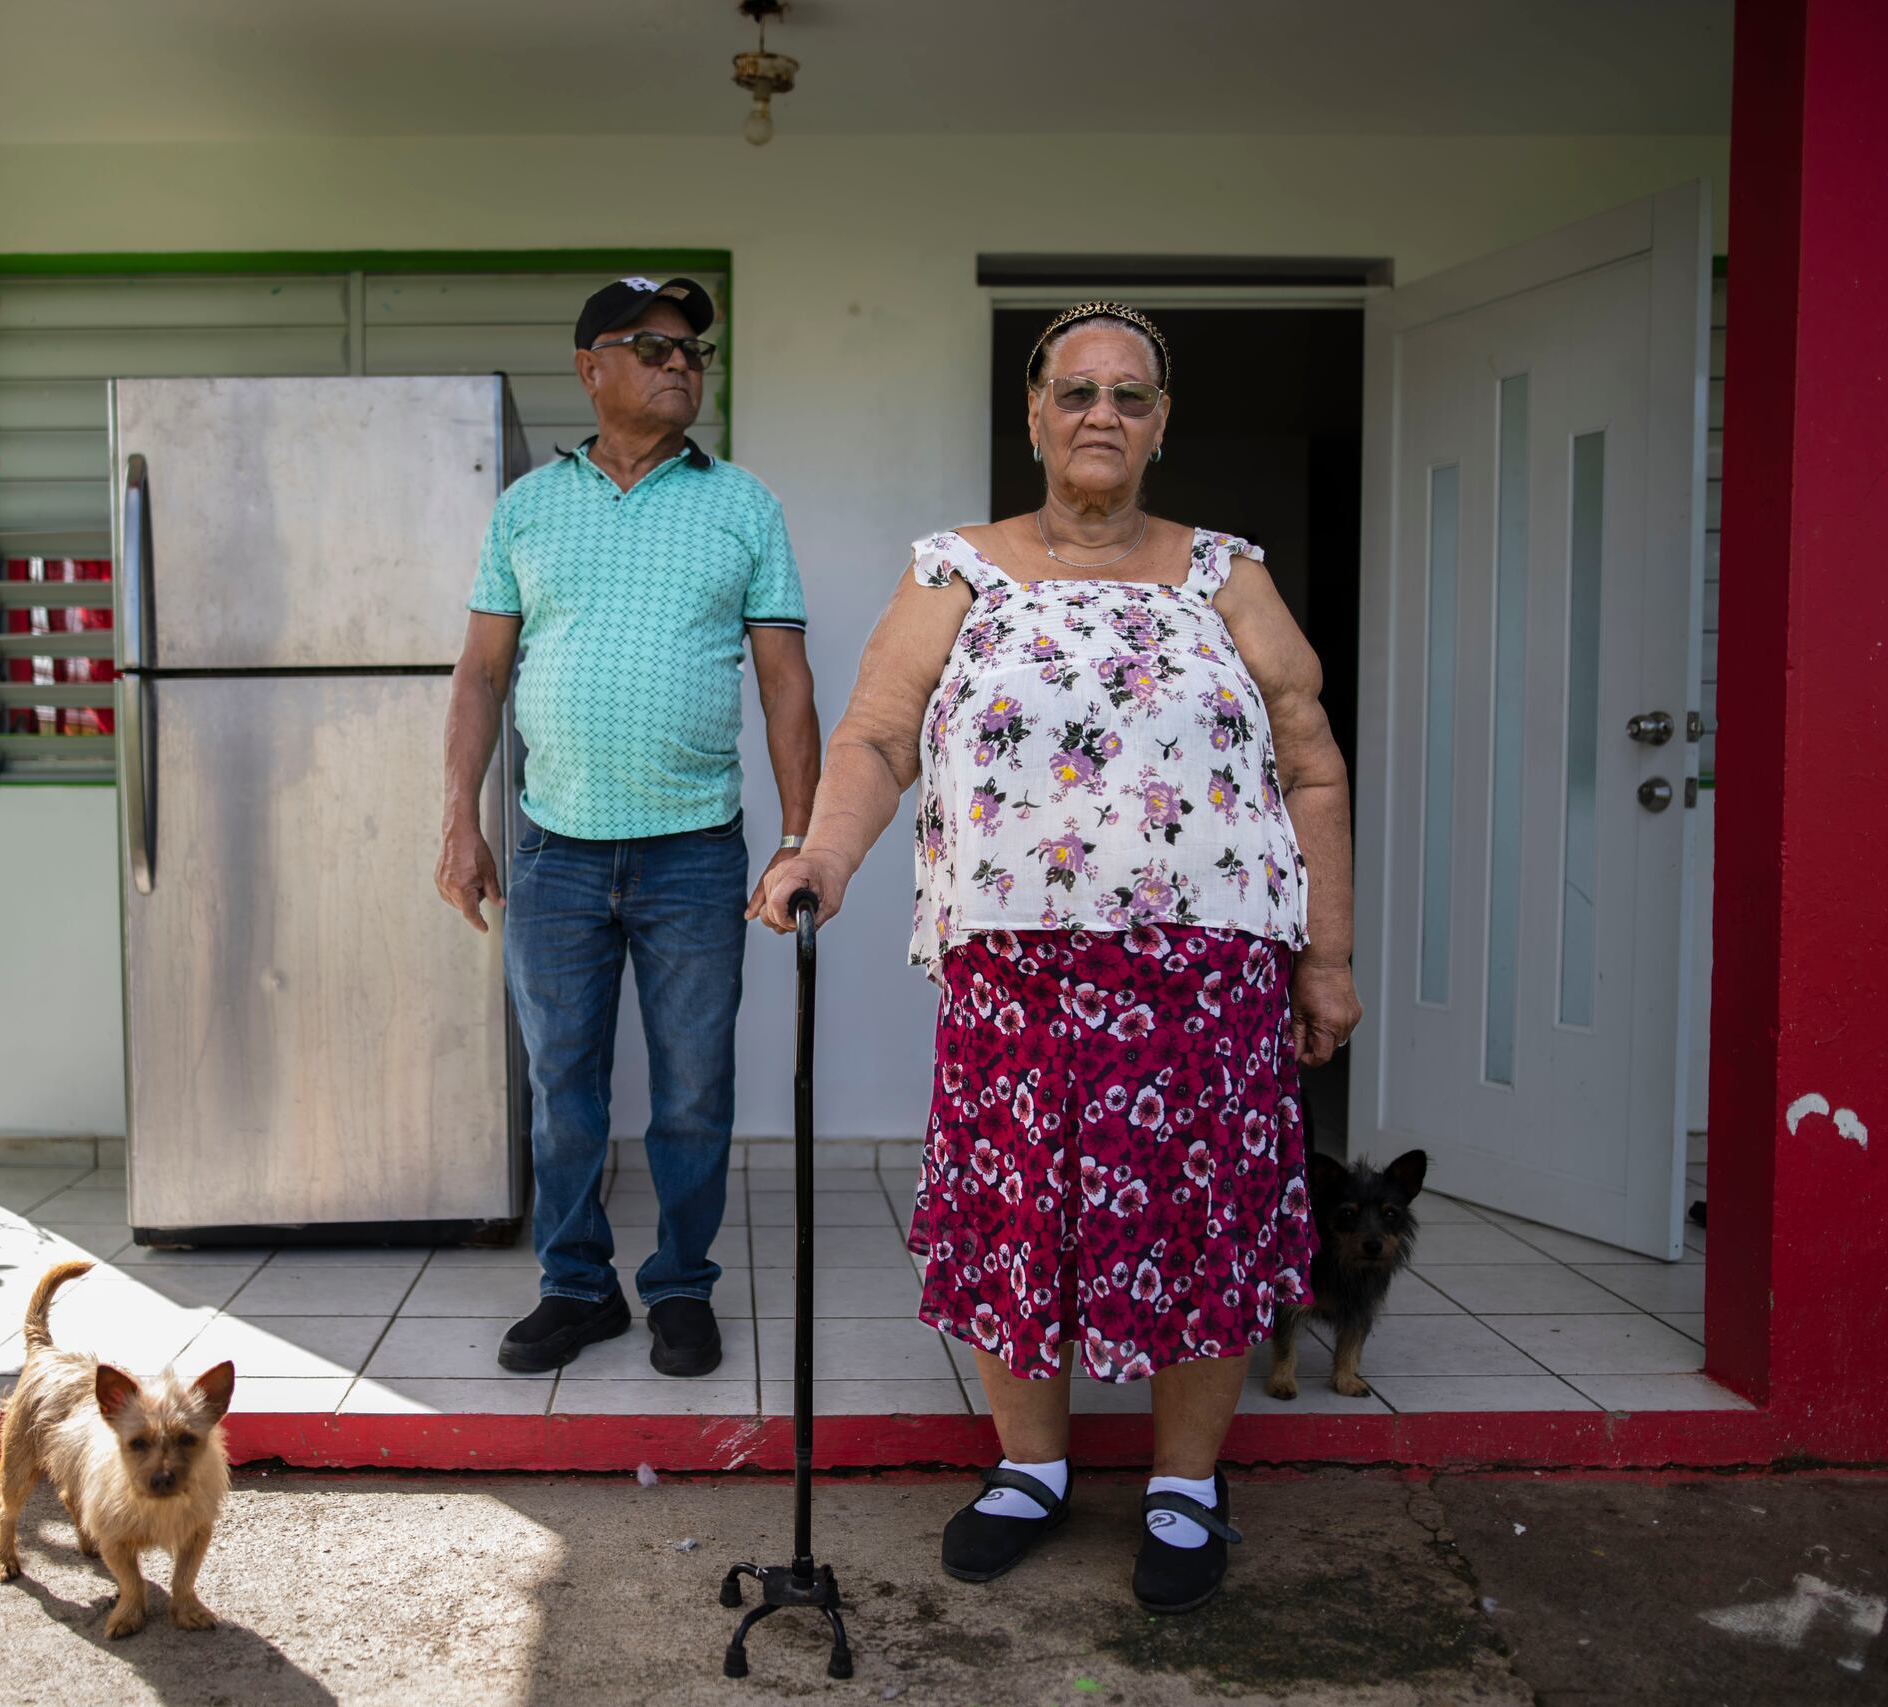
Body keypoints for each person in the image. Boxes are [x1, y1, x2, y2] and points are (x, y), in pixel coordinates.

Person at [753, 303, 1360, 1611]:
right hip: (1017, 973)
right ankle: (1030, 1464)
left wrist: (1330, 952)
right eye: (1076, 390)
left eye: (1130, 396)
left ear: (1160, 423)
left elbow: (1309, 757)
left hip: (1205, 973)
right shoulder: (957, 570)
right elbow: (872, 736)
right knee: (1022, 1208)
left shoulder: (1225, 571)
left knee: (1197, 1218)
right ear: (1033, 414)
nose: (1103, 414)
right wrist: (824, 854)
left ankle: (1184, 1483)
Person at [437, 276, 820, 1380]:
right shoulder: (525, 506)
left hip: (696, 851)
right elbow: (479, 674)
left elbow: (785, 685)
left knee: (695, 1089)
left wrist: (801, 839)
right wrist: (458, 826)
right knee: (564, 1091)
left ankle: (681, 1286)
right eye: (650, 346)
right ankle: (575, 1286)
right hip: (553, 848)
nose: (678, 364)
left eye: (694, 351)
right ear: (589, 367)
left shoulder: (743, 504)